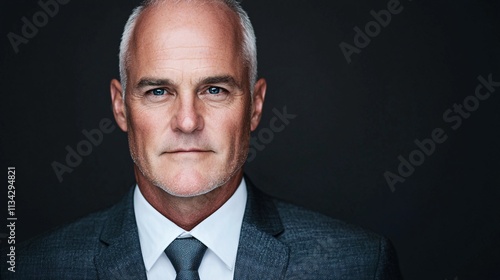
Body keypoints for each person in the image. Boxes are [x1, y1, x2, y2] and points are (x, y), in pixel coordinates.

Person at [1, 0, 403, 279]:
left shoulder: (357, 265)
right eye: (158, 91)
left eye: (215, 90)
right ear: (121, 107)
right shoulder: (34, 268)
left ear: (256, 106)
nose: (188, 121)